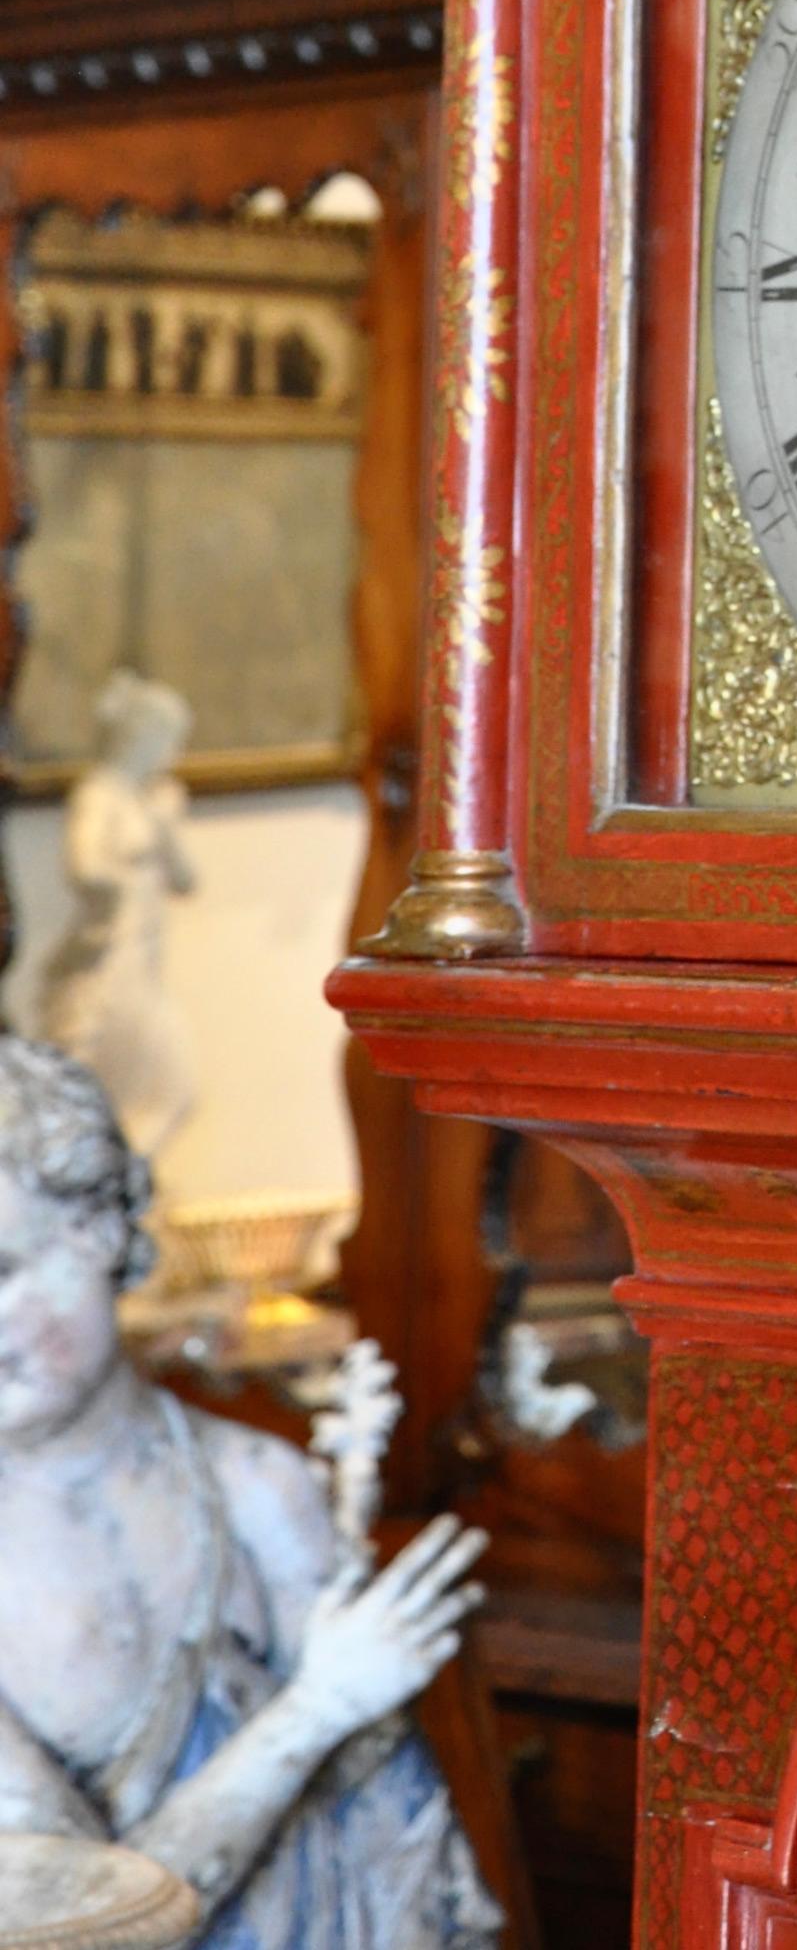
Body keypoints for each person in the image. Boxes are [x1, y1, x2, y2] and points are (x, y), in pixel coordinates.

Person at [0, 1039, 495, 1945]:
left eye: (1, 1270)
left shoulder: (256, 1491)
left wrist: (358, 1721)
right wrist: (317, 1710)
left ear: (103, 1232)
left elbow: (400, 1871)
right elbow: (85, 1929)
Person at [36, 675, 199, 1162]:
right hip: (110, 960)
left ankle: (119, 1182)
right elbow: (85, 864)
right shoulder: (98, 794)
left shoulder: (147, 800)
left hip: (144, 961)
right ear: (144, 737)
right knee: (91, 1086)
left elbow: (188, 881)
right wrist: (124, 876)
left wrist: (165, 827)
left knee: (174, 1086)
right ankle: (103, 1187)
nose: (172, 755)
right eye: (169, 741)